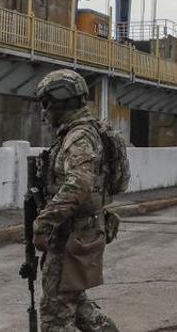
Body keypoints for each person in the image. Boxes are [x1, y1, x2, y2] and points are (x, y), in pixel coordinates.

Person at [31, 69, 119, 332]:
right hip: (82, 230)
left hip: (71, 233)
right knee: (76, 303)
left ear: (61, 100)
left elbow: (79, 184)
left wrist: (44, 222)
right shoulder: (88, 130)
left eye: (47, 103)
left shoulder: (79, 135)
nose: (45, 111)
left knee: (55, 313)